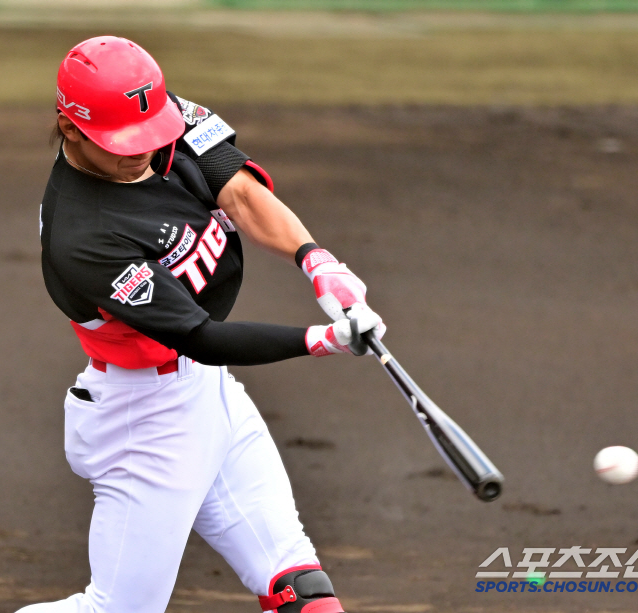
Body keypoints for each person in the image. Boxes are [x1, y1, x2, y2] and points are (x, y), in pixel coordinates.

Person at [21, 35, 385, 613]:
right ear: (70, 128)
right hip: (141, 422)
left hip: (207, 395)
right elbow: (200, 336)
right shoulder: (83, 237)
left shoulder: (154, 113)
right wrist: (325, 339)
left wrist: (318, 261)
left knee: (301, 590)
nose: (141, 150)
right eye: (122, 143)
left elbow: (239, 193)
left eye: (149, 134)